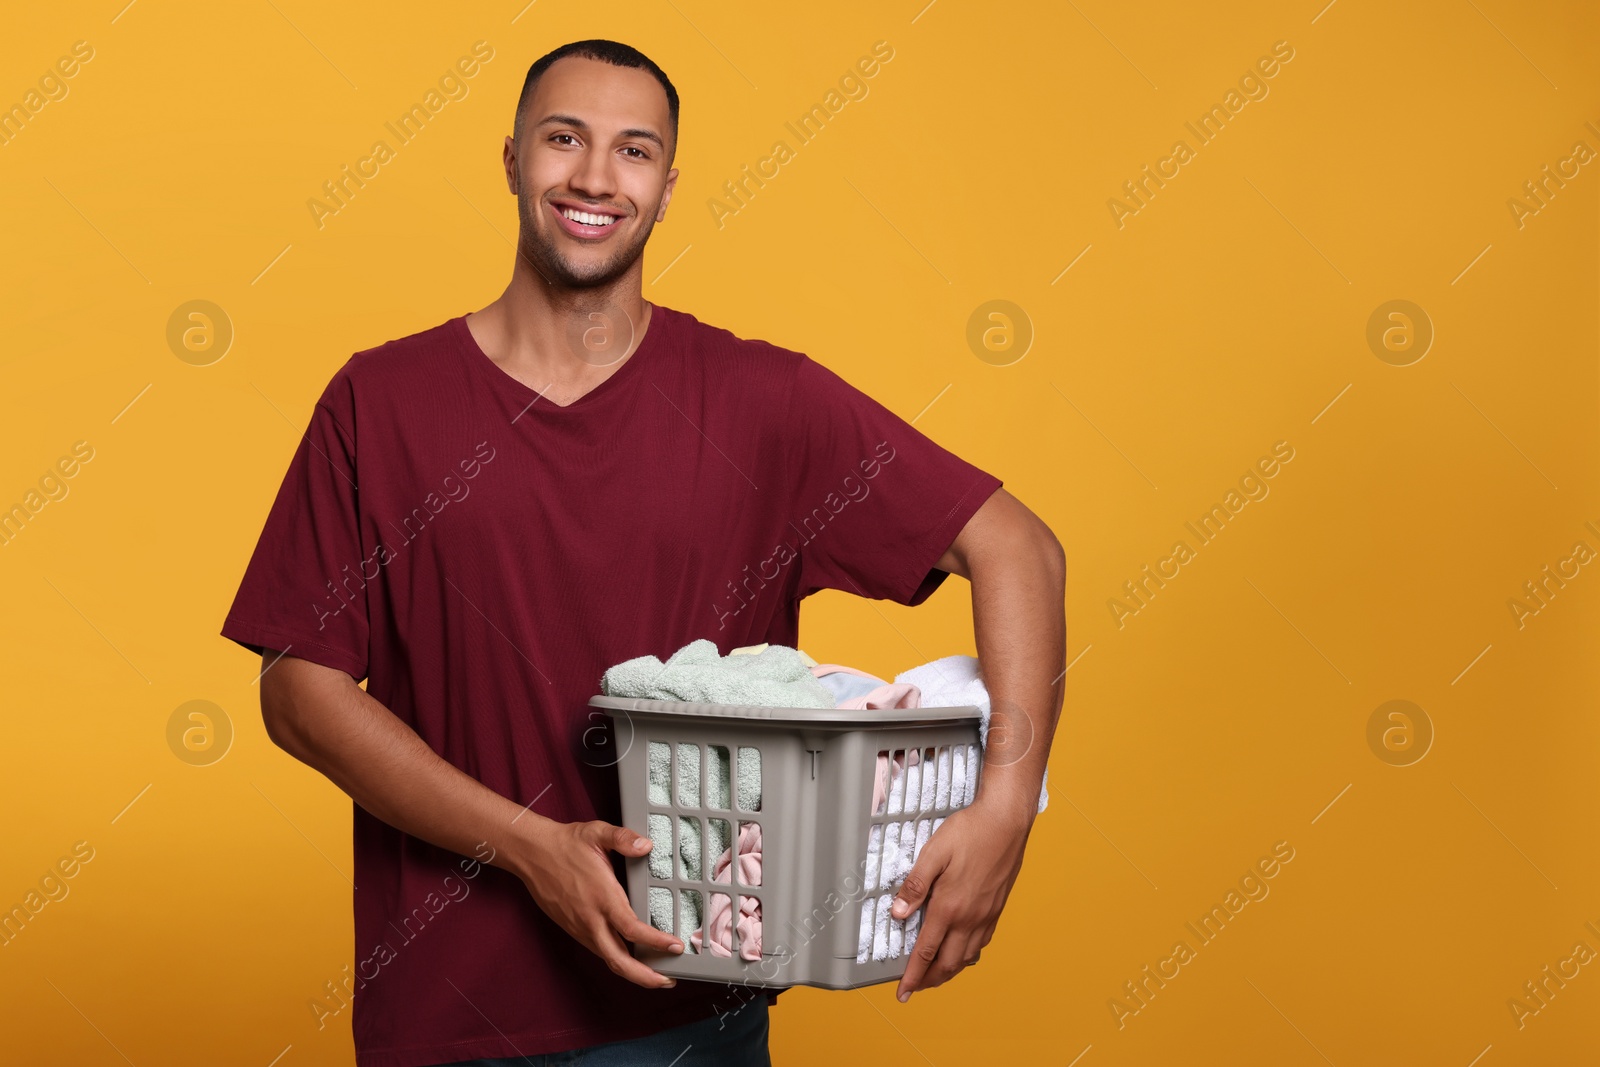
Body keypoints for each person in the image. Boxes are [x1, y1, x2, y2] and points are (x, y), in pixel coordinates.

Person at [221, 38, 1065, 1067]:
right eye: (563, 139)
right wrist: (529, 847)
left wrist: (1007, 804)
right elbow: (297, 688)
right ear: (511, 158)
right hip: (445, 1009)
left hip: (688, 1012)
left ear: (666, 187)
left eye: (632, 151)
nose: (592, 177)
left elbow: (1018, 546)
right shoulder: (380, 402)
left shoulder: (765, 405)